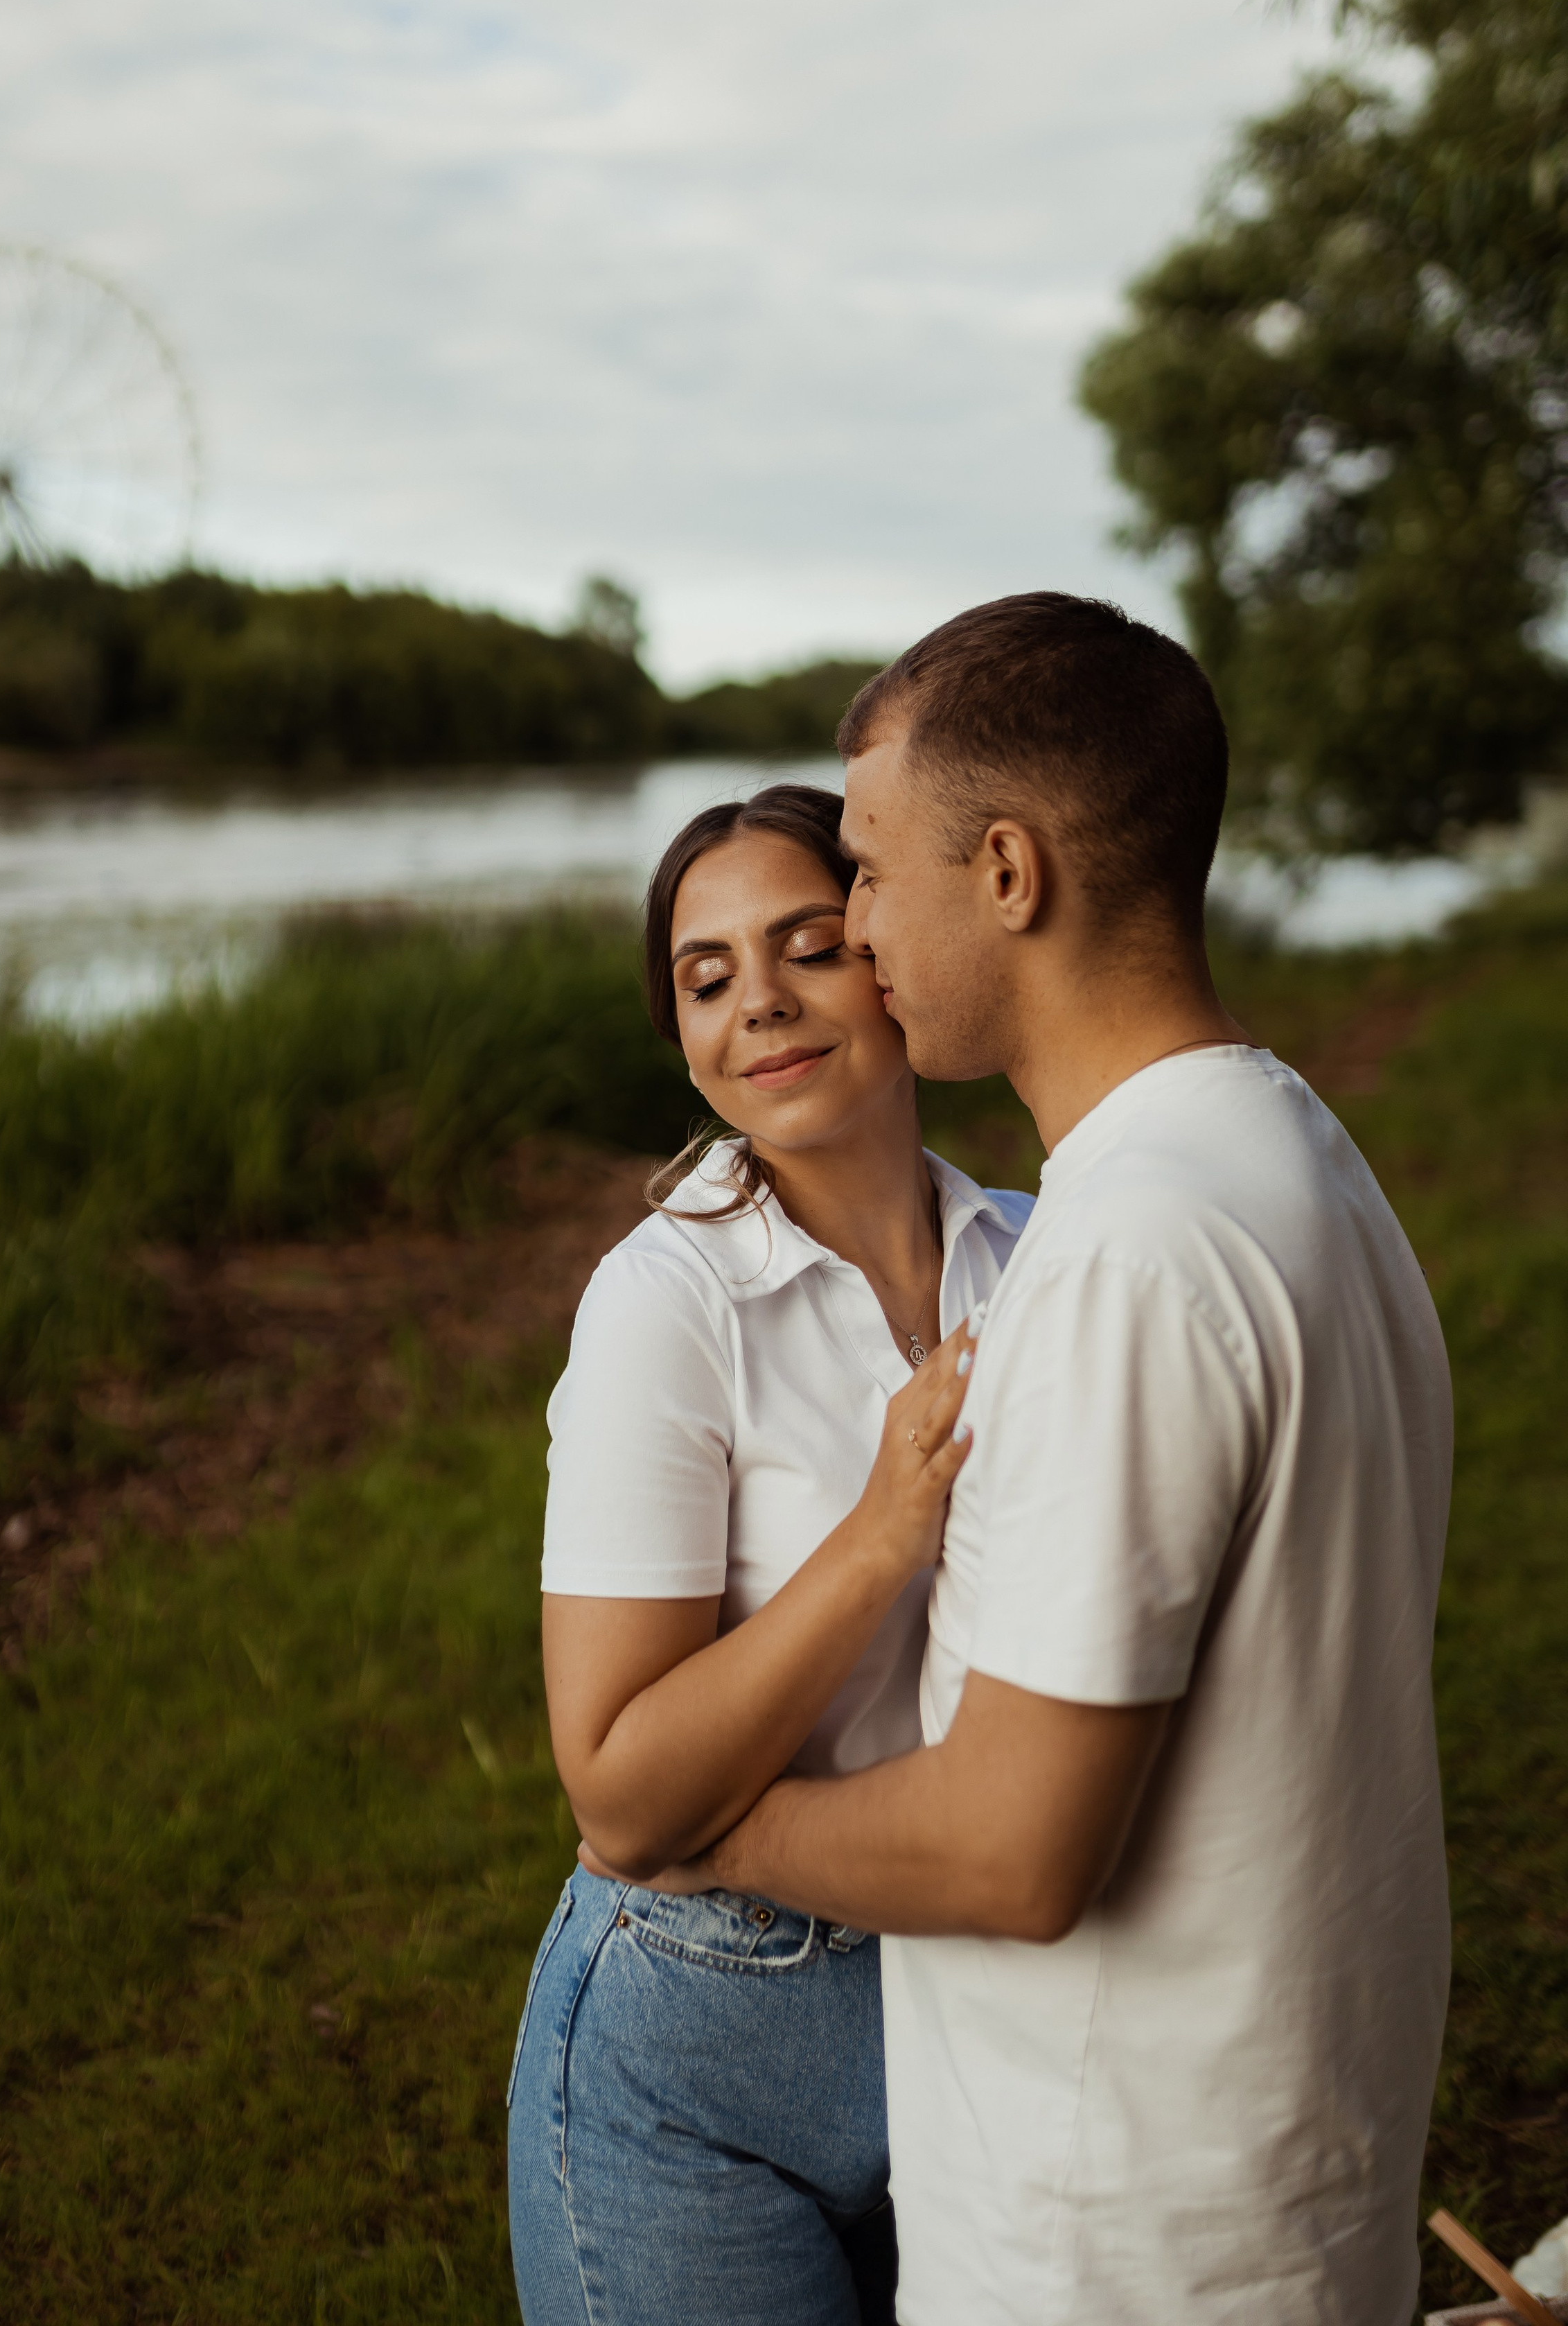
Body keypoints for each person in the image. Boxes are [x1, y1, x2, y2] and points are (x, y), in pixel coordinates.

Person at [601, 595, 1454, 2326]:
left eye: (867, 870)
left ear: (1007, 871)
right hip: (1273, 2168)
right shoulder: (1294, 1153)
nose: (854, 924)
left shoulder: (1121, 1255)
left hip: (1121, 2236)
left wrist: (720, 1833)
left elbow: (1011, 1846)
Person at [506, 782, 1034, 2326]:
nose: (760, 1008)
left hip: (968, 1990)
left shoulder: (1033, 1246)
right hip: (697, 2055)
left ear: (883, 945)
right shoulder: (662, 1307)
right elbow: (617, 1790)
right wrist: (877, 1535)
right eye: (706, 975)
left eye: (805, 944)